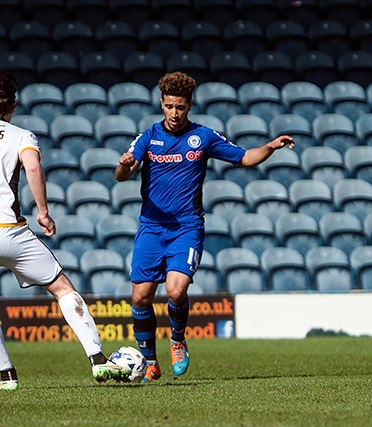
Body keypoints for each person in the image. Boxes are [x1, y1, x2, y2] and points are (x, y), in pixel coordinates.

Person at [0, 72, 130, 390]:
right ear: (13, 105)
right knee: (62, 288)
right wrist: (43, 213)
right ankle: (98, 360)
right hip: (10, 232)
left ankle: (7, 376)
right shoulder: (21, 135)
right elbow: (32, 167)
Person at [115, 72, 294, 382]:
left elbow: (245, 158)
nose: (174, 113)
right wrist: (125, 165)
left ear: (190, 106)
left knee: (176, 288)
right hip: (152, 227)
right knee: (141, 297)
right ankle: (149, 362)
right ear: (161, 104)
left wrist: (271, 146)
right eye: (169, 106)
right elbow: (122, 173)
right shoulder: (148, 137)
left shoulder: (204, 137)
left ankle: (177, 340)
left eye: (180, 107)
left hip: (187, 227)